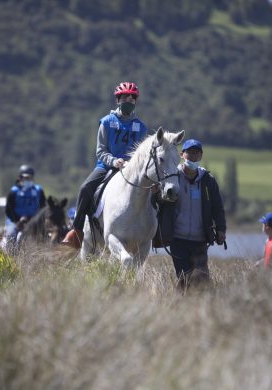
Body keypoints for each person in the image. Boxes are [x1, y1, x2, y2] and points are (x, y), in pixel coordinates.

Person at [62, 81, 148, 248]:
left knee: (155, 191)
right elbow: (100, 151)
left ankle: (156, 233)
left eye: (132, 98)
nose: (128, 101)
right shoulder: (107, 122)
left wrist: (130, 164)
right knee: (85, 188)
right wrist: (114, 161)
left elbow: (141, 154)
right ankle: (76, 231)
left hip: (131, 169)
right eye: (125, 98)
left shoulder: (141, 127)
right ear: (118, 100)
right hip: (106, 166)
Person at [156, 139, 227, 290]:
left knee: (202, 279)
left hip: (200, 241)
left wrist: (221, 229)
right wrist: (155, 194)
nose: (193, 157)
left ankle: (197, 309)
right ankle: (181, 308)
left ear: (201, 156)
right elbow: (160, 200)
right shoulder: (172, 177)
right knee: (184, 278)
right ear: (182, 155)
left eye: (197, 153)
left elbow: (218, 208)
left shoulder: (208, 181)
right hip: (178, 240)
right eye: (190, 153)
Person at [3, 164, 46, 244]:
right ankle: (10, 254)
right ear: (20, 178)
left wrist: (36, 220)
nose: (28, 180)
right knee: (11, 234)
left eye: (30, 177)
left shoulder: (38, 191)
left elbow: (43, 208)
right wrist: (17, 220)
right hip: (15, 221)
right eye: (26, 178)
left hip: (34, 221)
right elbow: (8, 210)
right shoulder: (14, 191)